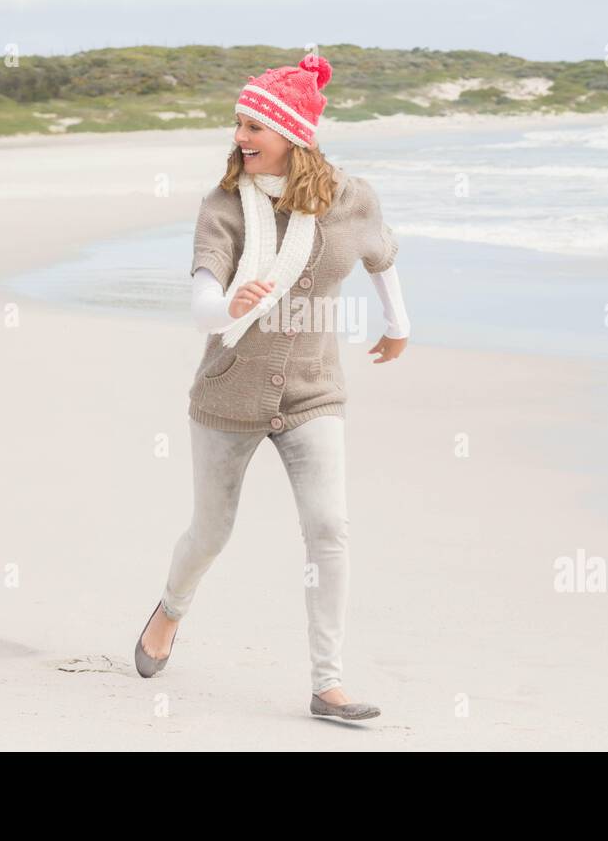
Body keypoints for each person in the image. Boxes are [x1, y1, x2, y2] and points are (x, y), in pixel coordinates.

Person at [134, 54, 410, 721]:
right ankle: (171, 609)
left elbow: (381, 256)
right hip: (229, 394)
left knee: (329, 529)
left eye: (254, 125)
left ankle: (327, 684)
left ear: (293, 133)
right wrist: (231, 305)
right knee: (210, 532)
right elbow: (202, 297)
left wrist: (398, 322)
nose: (240, 136)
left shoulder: (351, 200)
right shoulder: (225, 208)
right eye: (238, 124)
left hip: (314, 394)